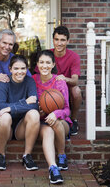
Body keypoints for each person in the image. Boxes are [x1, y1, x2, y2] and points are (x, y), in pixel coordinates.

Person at [0, 55, 40, 171]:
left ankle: (27, 156)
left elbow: (34, 105)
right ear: (10, 69)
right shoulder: (4, 82)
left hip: (21, 127)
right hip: (3, 126)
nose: (20, 72)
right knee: (5, 117)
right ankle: (1, 156)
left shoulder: (29, 81)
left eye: (23, 68)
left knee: (34, 114)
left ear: (27, 69)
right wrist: (24, 103)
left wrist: (9, 108)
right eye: (16, 68)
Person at [33, 50, 72, 184]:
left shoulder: (59, 82)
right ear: (37, 64)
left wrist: (56, 113)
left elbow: (67, 110)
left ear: (53, 64)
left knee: (56, 123)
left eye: (48, 63)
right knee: (49, 127)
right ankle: (53, 168)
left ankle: (62, 155)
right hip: (41, 123)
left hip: (61, 122)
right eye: (42, 62)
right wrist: (39, 110)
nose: (44, 66)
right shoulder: (32, 80)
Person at [50, 26, 82, 136]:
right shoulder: (48, 54)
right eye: (56, 39)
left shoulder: (74, 57)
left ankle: (73, 120)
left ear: (68, 41)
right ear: (53, 40)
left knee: (77, 91)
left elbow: (75, 81)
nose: (59, 43)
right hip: (51, 91)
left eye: (62, 40)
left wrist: (64, 78)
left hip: (67, 90)